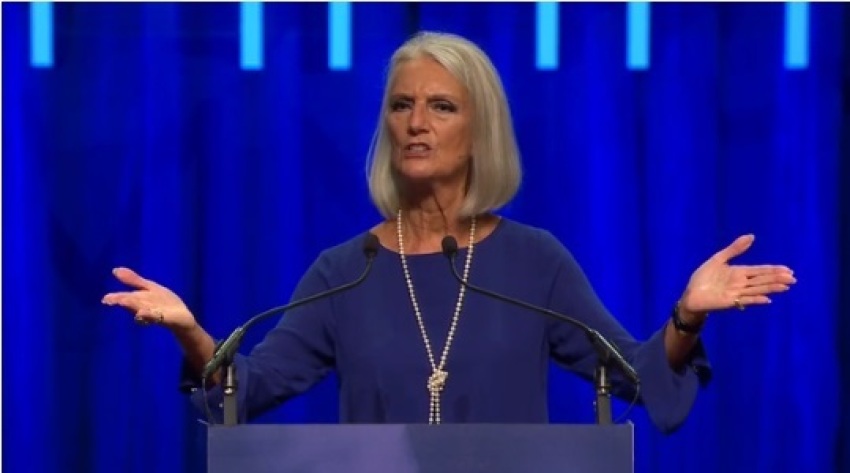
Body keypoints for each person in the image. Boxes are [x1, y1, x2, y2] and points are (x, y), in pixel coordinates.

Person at [102, 31, 796, 433]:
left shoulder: (534, 261)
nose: (415, 123)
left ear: (479, 130)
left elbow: (636, 379)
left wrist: (686, 315)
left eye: (440, 106)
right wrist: (190, 332)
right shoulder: (347, 268)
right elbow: (244, 391)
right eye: (401, 105)